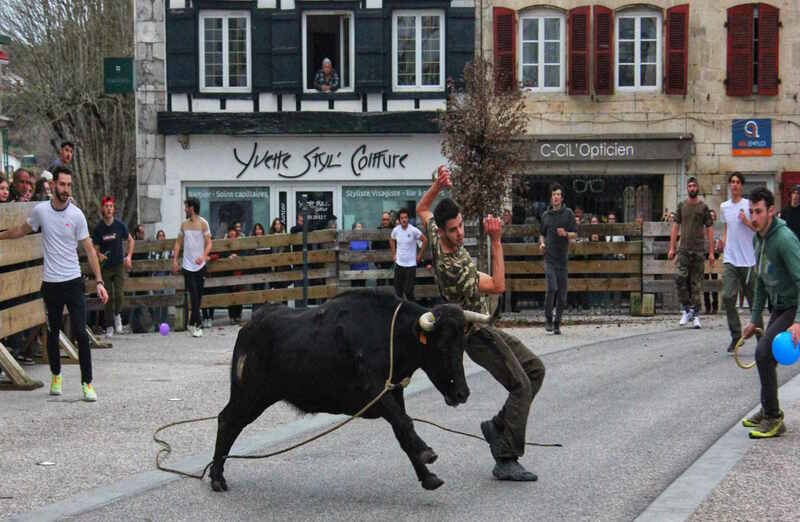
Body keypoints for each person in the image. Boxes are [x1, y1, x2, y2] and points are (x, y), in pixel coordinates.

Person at [417, 166, 545, 482]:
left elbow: (422, 209)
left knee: (535, 370)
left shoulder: (435, 236)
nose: (459, 233)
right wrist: (497, 241)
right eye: (453, 230)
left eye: (460, 226)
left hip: (486, 327)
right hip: (475, 335)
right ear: (443, 233)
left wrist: (436, 187)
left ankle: (498, 425)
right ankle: (505, 456)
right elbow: (499, 284)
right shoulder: (452, 270)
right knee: (521, 385)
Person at [0, 166, 109, 401]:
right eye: (62, 185)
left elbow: (89, 249)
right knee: (52, 332)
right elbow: (22, 229)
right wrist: (2, 235)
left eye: (69, 185)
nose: (66, 189)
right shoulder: (41, 211)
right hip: (51, 284)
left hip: (73, 282)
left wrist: (99, 281)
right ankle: (56, 375)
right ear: (53, 186)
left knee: (80, 332)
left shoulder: (77, 215)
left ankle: (87, 383)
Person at [739, 187, 800, 438]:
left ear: (771, 211)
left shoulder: (784, 240)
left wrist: (798, 321)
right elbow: (760, 283)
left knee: (763, 353)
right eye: (751, 211)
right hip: (778, 306)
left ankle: (773, 418)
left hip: (793, 305)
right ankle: (768, 412)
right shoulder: (758, 239)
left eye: (759, 211)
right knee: (766, 356)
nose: (754, 217)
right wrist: (754, 319)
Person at [718, 172, 758, 353]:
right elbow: (727, 227)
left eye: (737, 182)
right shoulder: (724, 206)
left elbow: (757, 229)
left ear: (742, 186)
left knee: (754, 301)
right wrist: (722, 240)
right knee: (727, 296)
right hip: (730, 259)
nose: (734, 185)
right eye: (732, 182)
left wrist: (746, 220)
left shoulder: (748, 205)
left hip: (748, 260)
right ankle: (736, 336)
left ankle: (761, 338)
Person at [668, 177, 714, 329]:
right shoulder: (681, 206)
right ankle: (687, 309)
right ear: (687, 189)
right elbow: (675, 226)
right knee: (680, 279)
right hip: (683, 250)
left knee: (696, 285)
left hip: (699, 251)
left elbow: (709, 229)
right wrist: (672, 247)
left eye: (694, 185)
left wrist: (711, 252)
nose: (692, 188)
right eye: (690, 186)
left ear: (698, 188)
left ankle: (696, 315)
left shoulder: (703, 207)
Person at [92, 195, 134, 337]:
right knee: (108, 297)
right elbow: (95, 248)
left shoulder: (119, 225)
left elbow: (131, 240)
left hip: (118, 265)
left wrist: (128, 256)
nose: (109, 209)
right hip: (105, 267)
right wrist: (99, 255)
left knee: (119, 295)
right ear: (102, 209)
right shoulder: (99, 228)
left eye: (111, 206)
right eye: (106, 206)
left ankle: (117, 316)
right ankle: (109, 326)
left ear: (113, 209)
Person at [539, 182, 577, 334]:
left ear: (562, 198)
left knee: (562, 295)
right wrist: (541, 244)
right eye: (554, 194)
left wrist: (566, 234)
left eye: (558, 195)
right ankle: (548, 318)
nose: (556, 197)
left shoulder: (568, 214)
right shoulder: (546, 215)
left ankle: (557, 322)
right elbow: (542, 233)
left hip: (563, 260)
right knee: (551, 288)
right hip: (549, 259)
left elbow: (575, 233)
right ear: (551, 197)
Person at [172, 197, 212, 338]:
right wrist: (175, 260)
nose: (184, 209)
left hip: (200, 265)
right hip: (187, 266)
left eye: (186, 207)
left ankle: (191, 321)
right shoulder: (183, 225)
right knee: (193, 295)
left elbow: (209, 243)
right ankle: (198, 325)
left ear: (192, 208)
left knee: (199, 296)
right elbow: (177, 244)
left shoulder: (203, 223)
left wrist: (203, 256)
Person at [390, 208, 426, 301]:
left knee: (408, 291)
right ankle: (400, 311)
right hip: (399, 264)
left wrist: (419, 256)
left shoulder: (414, 230)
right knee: (398, 291)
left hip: (410, 265)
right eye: (402, 218)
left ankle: (413, 309)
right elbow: (391, 239)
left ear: (408, 219)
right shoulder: (396, 230)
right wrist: (394, 254)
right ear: (399, 219)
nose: (404, 220)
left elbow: (424, 240)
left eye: (405, 217)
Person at [224, 226, 243, 324]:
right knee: (230, 292)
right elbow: (222, 253)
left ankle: (238, 315)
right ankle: (231, 316)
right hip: (228, 271)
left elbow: (244, 252)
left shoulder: (239, 241)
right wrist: (228, 256)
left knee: (239, 292)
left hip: (238, 271)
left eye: (233, 231)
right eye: (230, 231)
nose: (232, 233)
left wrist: (237, 256)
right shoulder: (224, 242)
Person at [703, 209, 720, 315]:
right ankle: (707, 306)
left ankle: (715, 306)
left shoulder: (718, 229)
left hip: (715, 256)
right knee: (704, 281)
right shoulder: (703, 228)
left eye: (713, 216)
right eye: (710, 216)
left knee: (714, 281)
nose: (712, 218)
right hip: (704, 255)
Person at [374, 211, 394, 288]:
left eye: (387, 219)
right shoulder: (377, 231)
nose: (385, 221)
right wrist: (377, 263)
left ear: (390, 220)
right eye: (383, 219)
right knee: (380, 287)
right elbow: (373, 248)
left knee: (393, 286)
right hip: (380, 264)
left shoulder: (394, 230)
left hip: (392, 264)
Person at [349, 222, 370, 287]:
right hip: (353, 268)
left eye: (360, 227)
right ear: (353, 229)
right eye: (358, 227)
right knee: (354, 287)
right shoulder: (350, 239)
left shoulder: (365, 240)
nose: (359, 228)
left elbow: (369, 252)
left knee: (362, 286)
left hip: (364, 267)